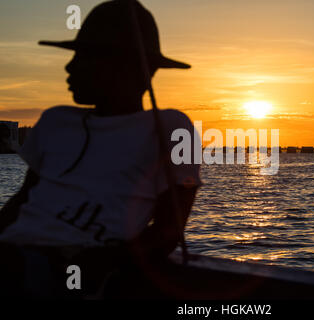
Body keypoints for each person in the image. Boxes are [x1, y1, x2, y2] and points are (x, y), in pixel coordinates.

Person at [0, 0, 201, 297]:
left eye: (83, 57)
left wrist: (102, 262)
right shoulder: (55, 121)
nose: (69, 67)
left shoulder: (170, 128)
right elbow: (23, 201)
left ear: (126, 68)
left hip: (57, 272)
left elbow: (168, 231)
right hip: (12, 257)